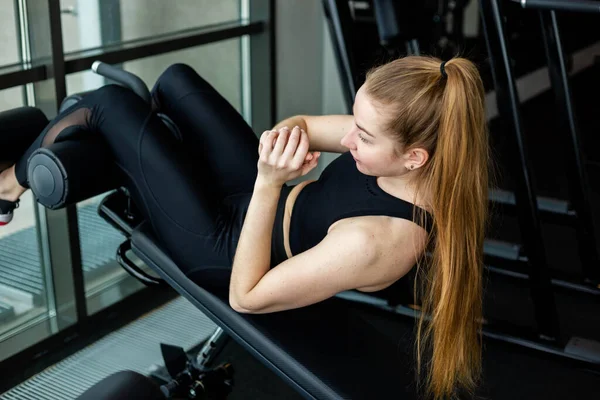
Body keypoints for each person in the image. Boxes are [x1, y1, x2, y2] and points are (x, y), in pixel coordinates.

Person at [0, 55, 490, 399]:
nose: (346, 138)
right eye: (354, 122)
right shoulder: (411, 154)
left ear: (413, 157)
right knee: (175, 80)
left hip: (227, 250)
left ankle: (7, 187)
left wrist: (269, 180)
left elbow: (246, 295)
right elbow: (301, 123)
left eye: (360, 136)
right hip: (259, 200)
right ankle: (135, 150)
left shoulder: (379, 240)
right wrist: (284, 147)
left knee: (110, 104)